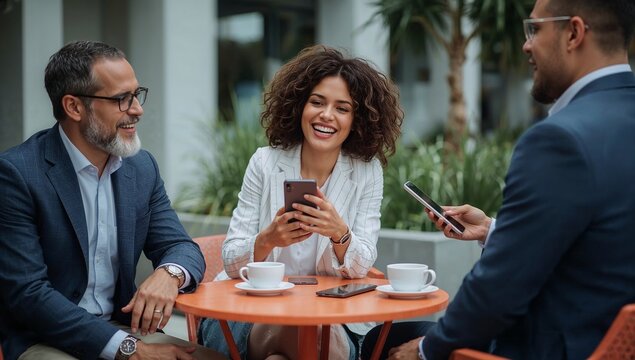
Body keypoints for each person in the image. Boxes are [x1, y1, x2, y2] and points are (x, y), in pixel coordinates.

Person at [361, 0, 635, 359]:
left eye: (534, 28)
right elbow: (598, 241)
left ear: (573, 33)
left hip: (545, 348)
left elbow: (498, 290)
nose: (525, 44)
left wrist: (427, 351)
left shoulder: (559, 140)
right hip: (611, 343)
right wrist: (493, 230)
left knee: (379, 346)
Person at [0, 41, 223, 360]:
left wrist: (168, 274)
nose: (137, 109)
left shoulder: (141, 167)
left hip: (124, 326)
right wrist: (129, 349)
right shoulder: (17, 174)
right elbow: (28, 295)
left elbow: (181, 246)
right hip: (46, 340)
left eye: (136, 94)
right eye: (121, 99)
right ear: (74, 107)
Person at [198, 45, 403, 360]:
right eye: (317, 102)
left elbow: (361, 267)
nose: (326, 115)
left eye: (342, 108)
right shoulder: (265, 163)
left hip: (328, 318)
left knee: (305, 334)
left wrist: (340, 234)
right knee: (301, 324)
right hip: (246, 316)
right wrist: (268, 239)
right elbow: (230, 260)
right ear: (299, 106)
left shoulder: (366, 172)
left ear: (357, 119)